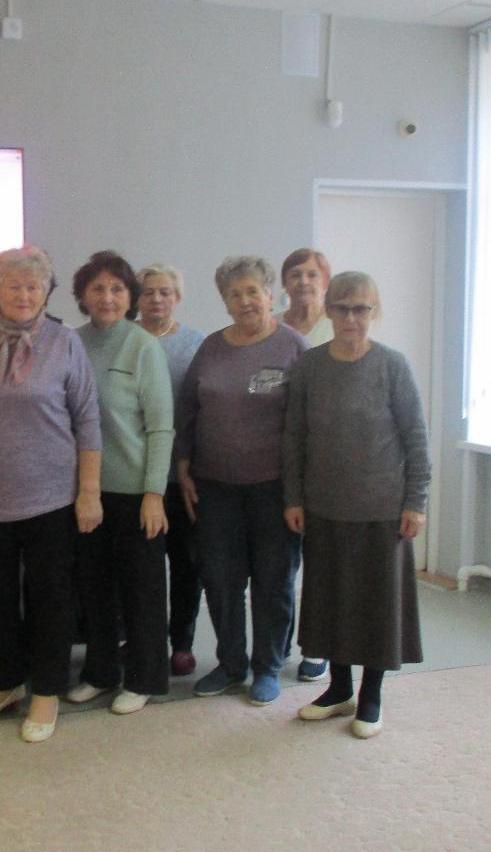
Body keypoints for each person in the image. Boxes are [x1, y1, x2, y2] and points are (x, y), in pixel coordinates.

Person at [0, 246, 101, 743]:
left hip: (52, 495)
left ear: (46, 293)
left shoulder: (64, 342)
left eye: (33, 286)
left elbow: (88, 419)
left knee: (49, 598)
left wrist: (89, 491)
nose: (23, 294)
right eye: (13, 285)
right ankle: (5, 683)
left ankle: (46, 690)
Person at [283, 272, 429, 739]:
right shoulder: (310, 366)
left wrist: (416, 501)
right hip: (324, 507)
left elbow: (415, 438)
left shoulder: (392, 366)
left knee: (375, 606)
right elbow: (295, 437)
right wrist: (293, 497)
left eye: (361, 308)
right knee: (331, 603)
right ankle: (338, 689)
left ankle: (371, 696)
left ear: (374, 312)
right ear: (328, 310)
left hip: (381, 510)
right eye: (342, 308)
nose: (351, 317)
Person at [175, 256, 307, 706]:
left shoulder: (293, 347)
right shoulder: (211, 348)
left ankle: (267, 666)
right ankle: (231, 664)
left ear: (270, 295)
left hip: (275, 490)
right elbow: (188, 410)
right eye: (235, 294)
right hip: (215, 488)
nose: (245, 300)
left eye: (253, 291)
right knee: (220, 580)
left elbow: (307, 422)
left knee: (273, 581)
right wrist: (183, 466)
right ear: (225, 302)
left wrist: (300, 491)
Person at [66, 251, 173, 715]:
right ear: (83, 296)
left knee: (142, 591)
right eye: (97, 289)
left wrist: (154, 493)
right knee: (94, 589)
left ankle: (145, 677)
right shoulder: (71, 343)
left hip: (135, 493)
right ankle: (100, 672)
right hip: (85, 491)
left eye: (117, 288)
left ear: (130, 297)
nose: (107, 297)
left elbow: (161, 426)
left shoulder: (143, 345)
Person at [135, 263, 206, 677]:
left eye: (165, 292)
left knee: (185, 564)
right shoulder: (125, 339)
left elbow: (202, 409)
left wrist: (191, 464)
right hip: (134, 474)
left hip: (181, 475)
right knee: (140, 568)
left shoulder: (196, 344)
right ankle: (141, 640)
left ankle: (182, 643)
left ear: (177, 298)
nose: (157, 299)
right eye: (148, 292)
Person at [277, 248, 334, 683]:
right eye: (295, 274)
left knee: (323, 562)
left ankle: (318, 645)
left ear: (325, 281)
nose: (303, 282)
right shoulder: (272, 328)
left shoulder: (338, 327)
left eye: (312, 274)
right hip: (277, 460)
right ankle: (276, 642)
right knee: (281, 563)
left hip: (326, 462)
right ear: (284, 282)